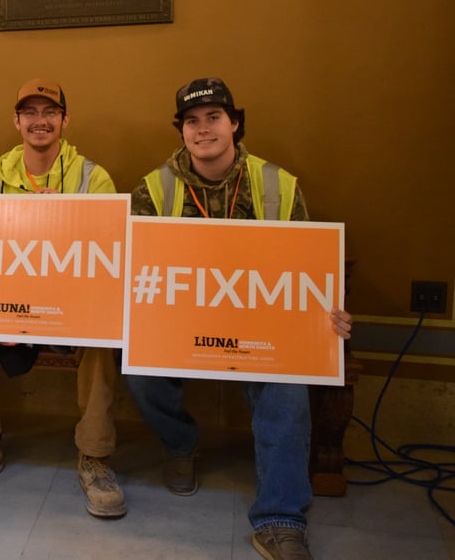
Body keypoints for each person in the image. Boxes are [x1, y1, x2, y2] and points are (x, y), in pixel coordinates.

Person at [127, 77, 353, 560]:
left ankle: (279, 519)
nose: (202, 129)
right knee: (137, 364)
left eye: (213, 117)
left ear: (234, 123)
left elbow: (307, 271)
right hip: (181, 322)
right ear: (181, 131)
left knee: (290, 381)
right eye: (191, 121)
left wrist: (328, 317)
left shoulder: (277, 183)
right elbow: (134, 268)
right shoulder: (153, 188)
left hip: (260, 327)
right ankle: (181, 444)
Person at [0, 79, 127, 519]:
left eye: (50, 112)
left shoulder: (92, 177)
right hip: (12, 307)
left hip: (73, 306)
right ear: (17, 121)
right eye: (30, 113)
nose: (40, 121)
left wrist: (61, 218)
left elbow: (106, 254)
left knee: (106, 332)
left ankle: (95, 457)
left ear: (64, 120)